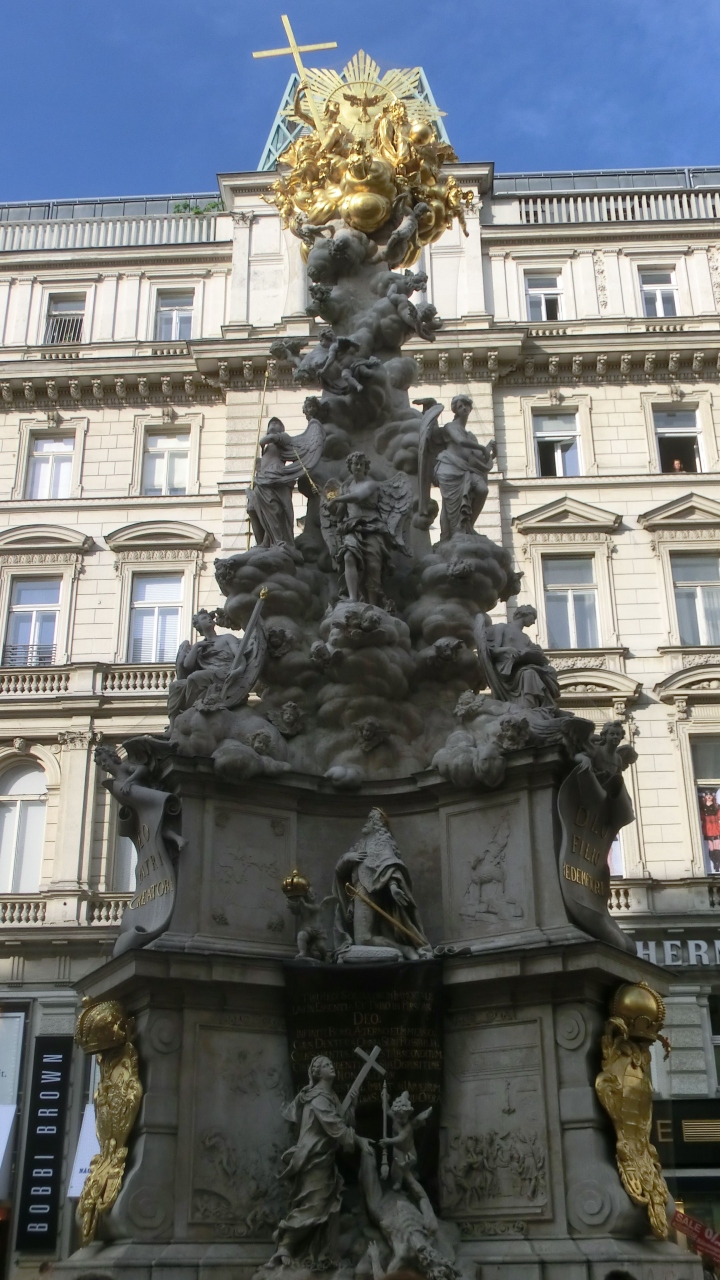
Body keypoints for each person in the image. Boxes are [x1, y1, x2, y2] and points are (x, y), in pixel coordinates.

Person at [269, 1056, 373, 1269]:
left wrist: (351, 1107)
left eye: (330, 1064)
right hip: (312, 1159)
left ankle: (324, 1254)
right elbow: (335, 1128)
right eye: (325, 1065)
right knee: (314, 1205)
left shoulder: (330, 1096)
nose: (331, 1066)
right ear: (317, 1073)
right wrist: (360, 1140)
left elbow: (341, 1123)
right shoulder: (317, 1098)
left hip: (325, 1159)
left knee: (328, 1207)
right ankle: (286, 1245)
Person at [333, 807, 431, 960]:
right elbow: (339, 872)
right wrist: (347, 858)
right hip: (358, 892)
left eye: (370, 820)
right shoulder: (361, 845)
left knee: (363, 939)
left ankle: (403, 950)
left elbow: (389, 866)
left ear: (377, 824)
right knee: (363, 939)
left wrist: (393, 887)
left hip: (370, 891)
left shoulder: (382, 842)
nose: (366, 823)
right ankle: (402, 951)